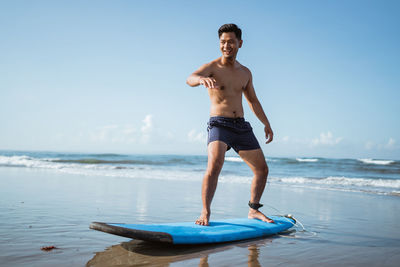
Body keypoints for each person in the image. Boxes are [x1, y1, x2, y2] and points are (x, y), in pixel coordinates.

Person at [186, 23, 274, 226]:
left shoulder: (245, 72)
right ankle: (205, 212)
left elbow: (253, 101)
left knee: (262, 169)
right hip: (219, 124)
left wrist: (266, 123)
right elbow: (189, 78)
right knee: (214, 166)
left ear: (239, 43)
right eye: (223, 42)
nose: (226, 46)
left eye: (231, 42)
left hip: (241, 126)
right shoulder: (212, 67)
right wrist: (200, 80)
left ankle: (254, 211)